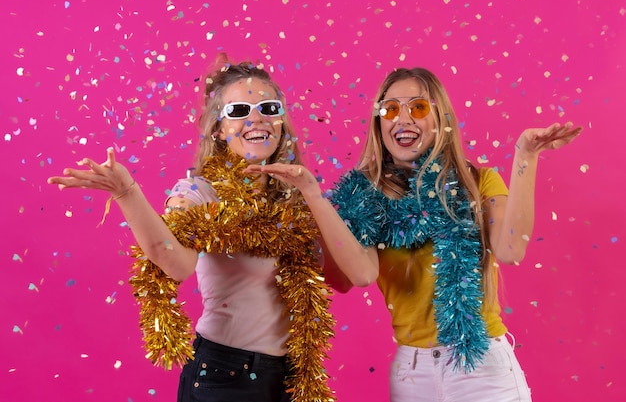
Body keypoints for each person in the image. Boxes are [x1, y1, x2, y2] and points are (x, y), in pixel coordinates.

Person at [248, 67, 581, 402]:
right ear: (379, 123)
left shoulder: (476, 182)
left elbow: (511, 250)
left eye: (417, 108)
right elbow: (361, 275)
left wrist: (526, 156)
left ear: (440, 119)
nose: (402, 118)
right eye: (390, 109)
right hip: (413, 373)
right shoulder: (363, 199)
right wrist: (312, 195)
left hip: (482, 368)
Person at [47, 56, 336, 402]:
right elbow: (176, 263)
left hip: (293, 378)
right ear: (217, 129)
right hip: (225, 376)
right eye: (240, 110)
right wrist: (127, 193)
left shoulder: (299, 197)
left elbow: (347, 276)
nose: (256, 118)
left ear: (281, 121)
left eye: (268, 107)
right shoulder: (199, 192)